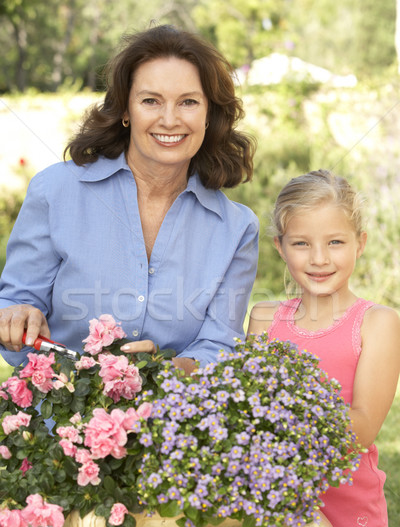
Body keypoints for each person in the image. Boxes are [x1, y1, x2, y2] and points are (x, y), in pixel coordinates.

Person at [0, 24, 259, 374]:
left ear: (209, 114)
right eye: (150, 100)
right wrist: (17, 315)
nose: (169, 120)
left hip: (171, 422)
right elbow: (18, 301)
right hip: (57, 422)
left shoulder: (237, 229)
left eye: (188, 102)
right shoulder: (55, 191)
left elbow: (220, 346)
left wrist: (165, 369)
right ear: (125, 110)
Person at [248, 169, 400, 527]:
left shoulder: (378, 323)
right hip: (277, 522)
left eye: (335, 242)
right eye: (301, 243)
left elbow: (361, 428)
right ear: (280, 247)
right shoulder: (265, 319)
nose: (319, 258)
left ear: (360, 243)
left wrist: (274, 417)